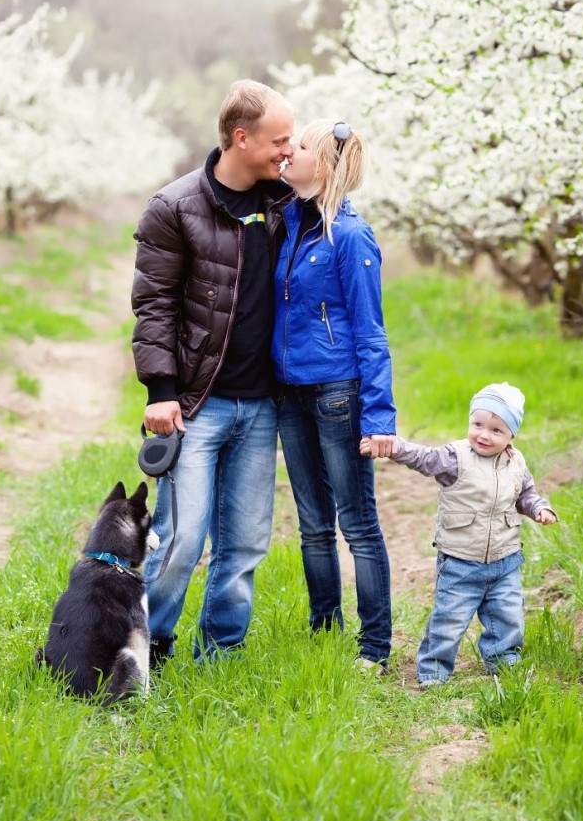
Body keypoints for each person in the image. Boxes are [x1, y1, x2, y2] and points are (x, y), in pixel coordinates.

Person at [131, 79, 294, 665]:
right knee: (178, 539)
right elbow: (155, 306)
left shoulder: (287, 203)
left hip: (264, 402)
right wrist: (160, 391)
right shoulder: (174, 207)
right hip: (196, 403)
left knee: (246, 542)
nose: (288, 150)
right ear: (240, 137)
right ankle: (147, 642)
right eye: (279, 140)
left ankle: (221, 650)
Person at [274, 118, 396, 673]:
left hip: (338, 394)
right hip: (290, 393)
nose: (286, 153)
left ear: (322, 165)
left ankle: (374, 649)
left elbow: (372, 331)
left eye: (297, 148)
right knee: (313, 524)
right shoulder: (291, 222)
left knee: (358, 524)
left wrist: (380, 418)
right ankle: (325, 633)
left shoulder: (350, 236)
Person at [360, 382, 557, 686]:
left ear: (510, 436)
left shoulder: (516, 462)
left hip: (505, 559)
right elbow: (422, 458)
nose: (483, 434)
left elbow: (526, 494)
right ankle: (434, 671)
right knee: (448, 620)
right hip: (461, 561)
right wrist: (394, 447)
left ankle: (503, 660)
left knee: (507, 616)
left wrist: (539, 508)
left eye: (495, 430)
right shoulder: (456, 458)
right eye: (477, 424)